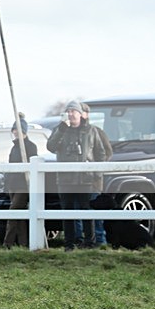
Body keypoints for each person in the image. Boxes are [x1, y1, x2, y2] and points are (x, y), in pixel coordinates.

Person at [46, 100, 109, 251]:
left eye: (73, 111)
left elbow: (101, 153)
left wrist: (96, 174)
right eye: (68, 111)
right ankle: (69, 244)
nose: (70, 114)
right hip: (65, 179)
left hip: (85, 179)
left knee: (86, 211)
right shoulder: (60, 130)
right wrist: (61, 130)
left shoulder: (92, 131)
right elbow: (50, 147)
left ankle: (90, 243)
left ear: (81, 114)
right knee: (67, 212)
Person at [74, 102, 113, 245]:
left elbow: (107, 153)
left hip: (93, 181)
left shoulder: (96, 131)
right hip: (76, 182)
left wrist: (96, 172)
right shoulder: (71, 132)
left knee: (94, 210)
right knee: (77, 210)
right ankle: (80, 240)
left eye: (79, 111)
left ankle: (99, 240)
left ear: (86, 114)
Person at [3, 116, 38, 248]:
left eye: (18, 130)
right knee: (20, 215)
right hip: (13, 185)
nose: (16, 132)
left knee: (13, 212)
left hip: (24, 185)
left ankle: (8, 243)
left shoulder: (30, 146)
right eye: (14, 130)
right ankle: (23, 243)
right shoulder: (14, 148)